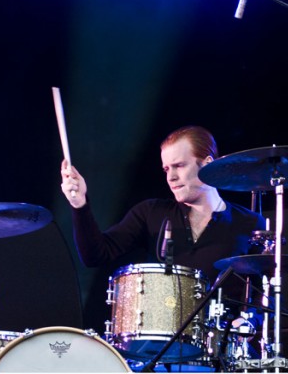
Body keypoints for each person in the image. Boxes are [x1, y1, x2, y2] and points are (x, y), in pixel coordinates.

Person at [60, 125, 267, 365]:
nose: (170, 177)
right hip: (153, 354)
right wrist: (79, 204)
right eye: (166, 168)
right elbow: (95, 255)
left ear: (208, 163)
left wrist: (250, 320)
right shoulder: (151, 213)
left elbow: (264, 296)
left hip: (219, 356)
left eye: (179, 166)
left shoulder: (249, 223)